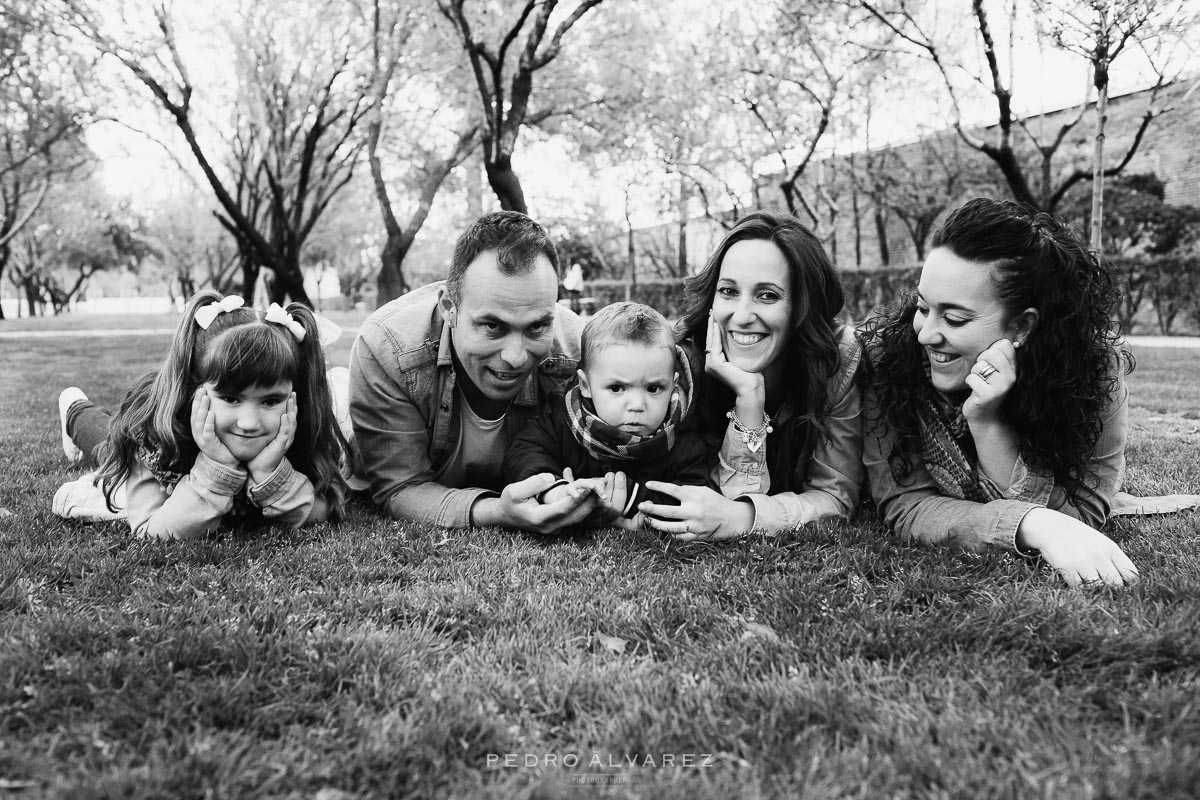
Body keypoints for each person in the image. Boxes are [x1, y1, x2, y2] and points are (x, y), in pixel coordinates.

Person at [857, 197, 1142, 587]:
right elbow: (906, 504)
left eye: (955, 319)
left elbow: (1083, 515)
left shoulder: (1095, 374)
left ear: (1022, 326)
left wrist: (986, 422)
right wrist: (1032, 523)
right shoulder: (888, 359)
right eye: (923, 308)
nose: (925, 333)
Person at [349, 211, 596, 532]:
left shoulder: (579, 351)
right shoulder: (387, 347)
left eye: (537, 326)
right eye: (493, 326)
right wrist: (497, 511)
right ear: (449, 308)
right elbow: (400, 487)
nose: (516, 357)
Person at [635, 211, 863, 540]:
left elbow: (834, 498)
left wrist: (744, 516)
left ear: (802, 305)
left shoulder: (837, 359)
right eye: (728, 291)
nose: (741, 316)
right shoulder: (677, 362)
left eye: (767, 295)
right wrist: (748, 398)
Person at [56, 291, 348, 539]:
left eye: (271, 400)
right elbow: (149, 529)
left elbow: (325, 510)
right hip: (168, 451)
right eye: (231, 398)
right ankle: (74, 407)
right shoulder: (157, 435)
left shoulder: (304, 419)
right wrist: (215, 469)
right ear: (196, 389)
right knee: (108, 450)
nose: (249, 423)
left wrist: (270, 473)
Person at [502, 302, 710, 526]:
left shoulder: (682, 442)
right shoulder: (563, 418)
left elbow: (694, 493)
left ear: (672, 385)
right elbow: (524, 451)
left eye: (653, 388)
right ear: (586, 385)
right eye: (617, 388)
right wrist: (553, 488)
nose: (637, 405)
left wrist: (635, 501)